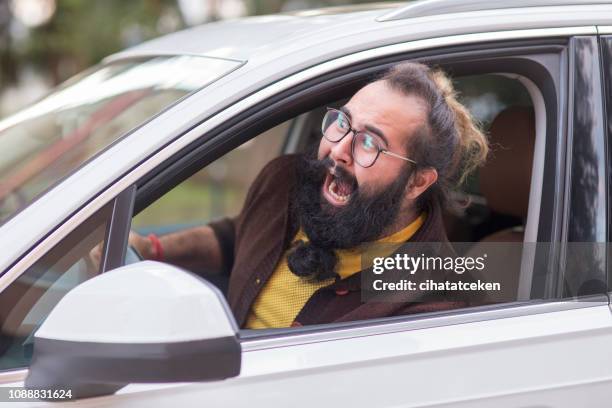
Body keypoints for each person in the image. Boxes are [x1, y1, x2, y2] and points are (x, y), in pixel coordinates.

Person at [130, 62, 489, 329]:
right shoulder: (285, 181)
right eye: (342, 124)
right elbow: (242, 235)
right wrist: (152, 250)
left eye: (369, 143)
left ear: (417, 183)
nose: (338, 150)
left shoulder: (432, 308)